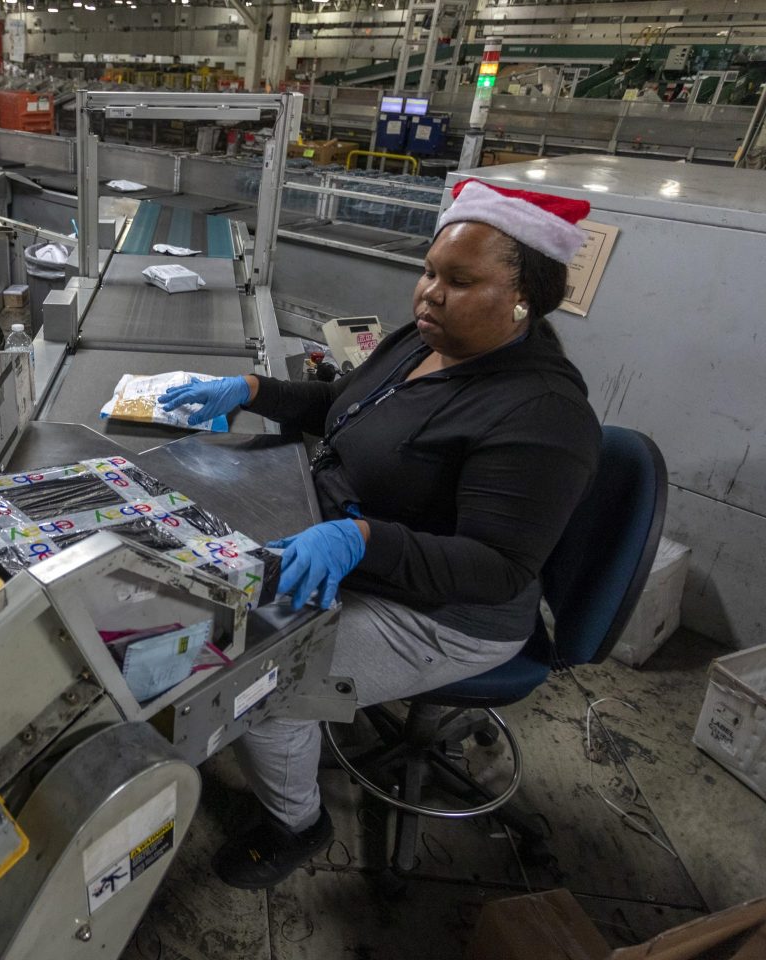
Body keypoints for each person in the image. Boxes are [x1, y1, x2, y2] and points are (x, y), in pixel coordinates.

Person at [158, 179, 603, 889]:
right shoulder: (422, 341)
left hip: (448, 612)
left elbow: (496, 568)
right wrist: (251, 391)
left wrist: (362, 539)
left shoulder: (542, 413)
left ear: (526, 299)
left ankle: (297, 824)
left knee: (260, 687)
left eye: (459, 281)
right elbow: (342, 406)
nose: (429, 293)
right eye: (429, 271)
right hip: (357, 541)